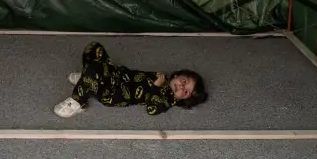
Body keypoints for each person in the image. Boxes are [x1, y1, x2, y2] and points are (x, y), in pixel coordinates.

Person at [53, 41, 208, 117]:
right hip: (115, 75)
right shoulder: (165, 77)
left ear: (183, 99)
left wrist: (155, 87)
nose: (181, 87)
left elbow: (152, 110)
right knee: (94, 48)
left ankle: (78, 101)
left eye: (185, 92)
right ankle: (89, 80)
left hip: (113, 93)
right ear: (177, 75)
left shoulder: (167, 100)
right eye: (184, 82)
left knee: (95, 70)